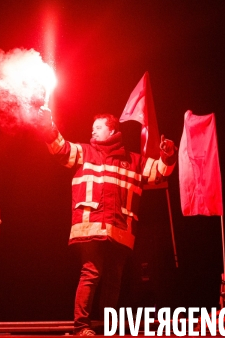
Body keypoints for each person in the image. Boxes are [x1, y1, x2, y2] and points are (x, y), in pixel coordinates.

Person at [38, 107, 177, 336]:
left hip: (120, 230)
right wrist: (47, 126)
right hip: (90, 226)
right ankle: (81, 326)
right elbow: (60, 149)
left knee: (114, 278)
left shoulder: (134, 161)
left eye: (99, 127)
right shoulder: (84, 152)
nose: (93, 130)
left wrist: (168, 154)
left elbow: (161, 171)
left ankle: (107, 328)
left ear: (112, 130)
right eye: (93, 128)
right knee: (91, 272)